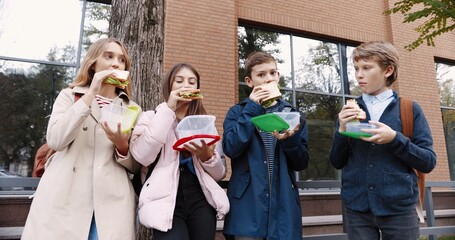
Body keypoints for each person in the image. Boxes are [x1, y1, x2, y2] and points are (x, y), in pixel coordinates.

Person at [22, 38, 142, 240]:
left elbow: (137, 165)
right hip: (65, 196)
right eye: (108, 56)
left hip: (111, 201)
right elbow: (55, 140)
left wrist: (122, 145)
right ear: (93, 63)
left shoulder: (132, 108)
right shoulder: (70, 96)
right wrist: (91, 94)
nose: (115, 63)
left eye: (121, 60)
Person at [329, 41, 437, 240]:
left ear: (388, 70)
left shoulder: (408, 109)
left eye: (367, 68)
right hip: (357, 208)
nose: (359, 74)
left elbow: (428, 162)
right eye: (356, 68)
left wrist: (395, 139)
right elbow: (336, 161)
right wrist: (342, 131)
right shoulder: (349, 110)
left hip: (400, 209)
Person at [130, 63, 229, 240]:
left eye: (192, 82)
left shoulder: (204, 122)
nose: (186, 85)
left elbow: (219, 173)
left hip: (201, 200)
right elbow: (142, 155)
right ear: (169, 85)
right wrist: (169, 109)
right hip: (165, 201)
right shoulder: (151, 117)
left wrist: (207, 157)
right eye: (179, 80)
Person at [222, 51, 309, 240]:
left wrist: (289, 140)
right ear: (249, 81)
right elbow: (231, 148)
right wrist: (253, 108)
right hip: (247, 208)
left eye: (272, 73)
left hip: (283, 207)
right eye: (261, 75)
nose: (268, 79)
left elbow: (301, 163)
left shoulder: (293, 115)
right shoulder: (237, 113)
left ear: (278, 76)